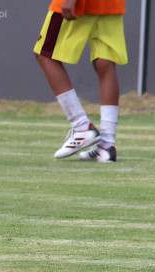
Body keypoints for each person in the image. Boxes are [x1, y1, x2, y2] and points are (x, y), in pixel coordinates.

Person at [34, 0, 127, 162]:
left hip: (84, 4)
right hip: (112, 4)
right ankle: (106, 146)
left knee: (45, 54)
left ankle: (81, 126)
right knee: (105, 62)